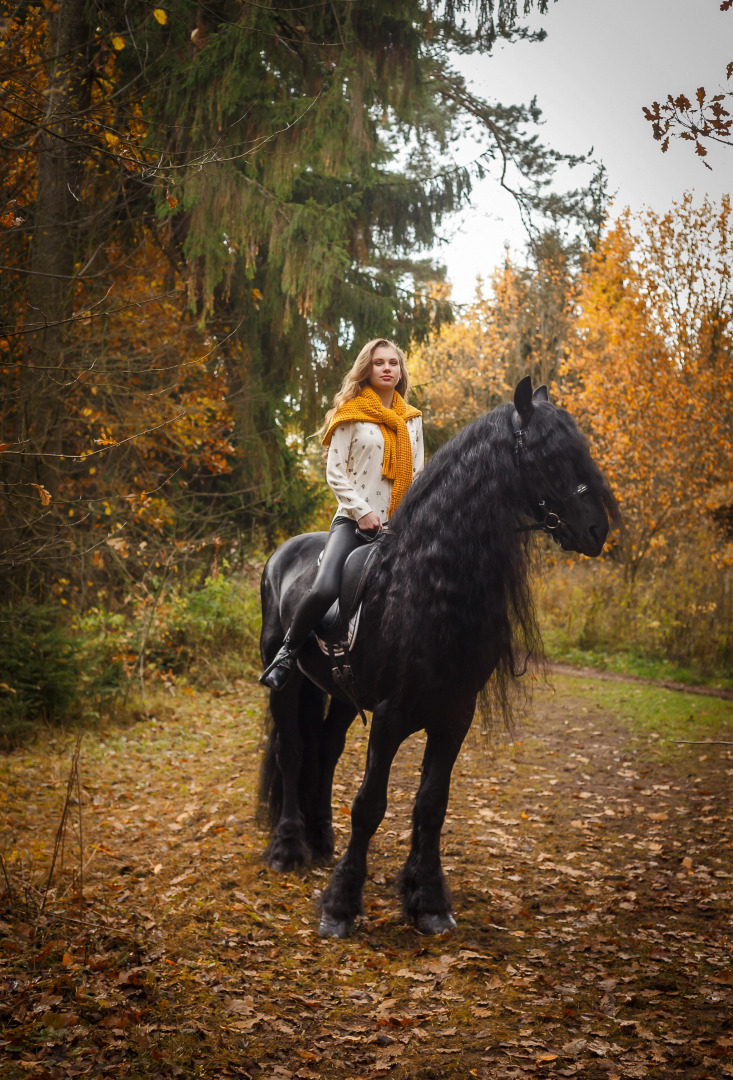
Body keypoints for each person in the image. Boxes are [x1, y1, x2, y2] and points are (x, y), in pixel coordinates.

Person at [259, 337, 424, 690]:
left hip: (400, 526)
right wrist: (362, 512)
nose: (386, 369)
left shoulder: (411, 420)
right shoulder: (349, 414)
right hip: (353, 521)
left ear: (400, 371)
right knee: (323, 588)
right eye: (379, 362)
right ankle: (286, 653)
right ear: (367, 369)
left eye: (393, 363)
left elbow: (418, 474)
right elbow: (336, 473)